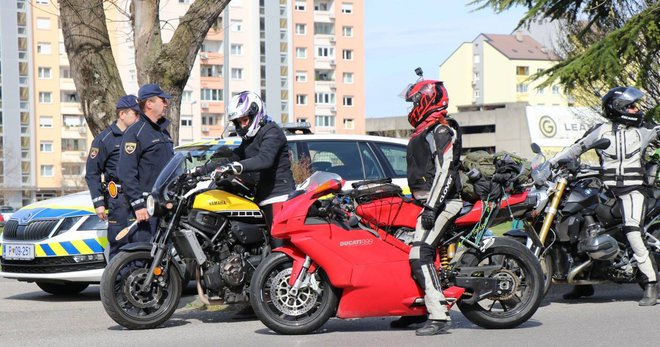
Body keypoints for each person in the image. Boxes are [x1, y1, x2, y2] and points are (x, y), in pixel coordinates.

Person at [550, 86, 658, 306]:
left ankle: (651, 284)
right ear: (618, 108)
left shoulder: (645, 130)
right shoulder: (600, 131)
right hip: (607, 191)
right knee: (579, 225)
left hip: (634, 191)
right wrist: (550, 164)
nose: (637, 109)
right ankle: (583, 282)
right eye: (631, 106)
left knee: (632, 230)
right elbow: (576, 148)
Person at [396, 75, 463, 336]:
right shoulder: (424, 130)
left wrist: (432, 208)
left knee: (419, 253)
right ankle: (412, 309)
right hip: (425, 202)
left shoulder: (442, 130)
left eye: (414, 103)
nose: (412, 108)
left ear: (427, 100)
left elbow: (446, 171)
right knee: (398, 248)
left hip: (445, 202)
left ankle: (438, 315)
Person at [198, 91, 295, 228]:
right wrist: (199, 170)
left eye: (245, 120)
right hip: (260, 198)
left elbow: (264, 159)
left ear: (256, 114)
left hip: (278, 196)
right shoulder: (249, 140)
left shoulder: (272, 131)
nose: (242, 126)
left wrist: (234, 167)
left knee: (277, 245)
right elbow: (231, 159)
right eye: (238, 122)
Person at [85, 95, 140, 260]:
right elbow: (92, 173)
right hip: (119, 200)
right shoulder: (104, 140)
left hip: (138, 196)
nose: (139, 117)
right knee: (120, 243)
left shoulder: (139, 136)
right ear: (122, 114)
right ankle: (117, 283)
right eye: (135, 113)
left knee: (139, 242)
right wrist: (99, 203)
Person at [118, 84, 174, 243]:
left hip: (164, 206)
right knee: (142, 259)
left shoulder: (163, 131)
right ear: (149, 103)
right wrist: (138, 205)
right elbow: (126, 173)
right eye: (162, 100)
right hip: (146, 209)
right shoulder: (135, 132)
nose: (166, 104)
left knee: (165, 260)